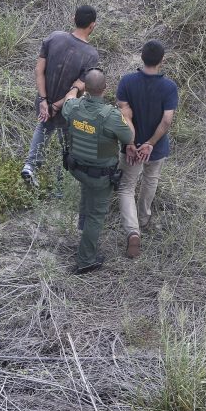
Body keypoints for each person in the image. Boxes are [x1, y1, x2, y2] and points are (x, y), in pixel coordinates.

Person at [62, 69, 134, 274]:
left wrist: (75, 88)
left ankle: (83, 231)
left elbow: (68, 98)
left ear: (86, 87)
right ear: (105, 89)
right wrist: (125, 113)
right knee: (96, 216)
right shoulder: (111, 116)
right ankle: (86, 260)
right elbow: (129, 137)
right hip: (99, 175)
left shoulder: (73, 107)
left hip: (77, 168)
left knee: (88, 194)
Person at [21, 5, 100, 188]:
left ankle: (30, 166)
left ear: (73, 18)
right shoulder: (91, 55)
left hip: (44, 101)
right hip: (67, 107)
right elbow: (79, 85)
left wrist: (43, 100)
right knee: (68, 142)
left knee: (44, 128)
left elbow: (38, 70)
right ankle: (62, 182)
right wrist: (56, 105)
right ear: (92, 25)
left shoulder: (54, 37)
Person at [116, 40, 178, 258]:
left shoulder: (127, 82)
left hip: (130, 149)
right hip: (156, 148)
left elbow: (125, 115)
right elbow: (167, 120)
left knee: (126, 187)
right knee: (150, 181)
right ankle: (144, 220)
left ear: (141, 57)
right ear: (162, 60)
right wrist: (150, 144)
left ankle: (133, 231)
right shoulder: (169, 87)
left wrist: (132, 144)